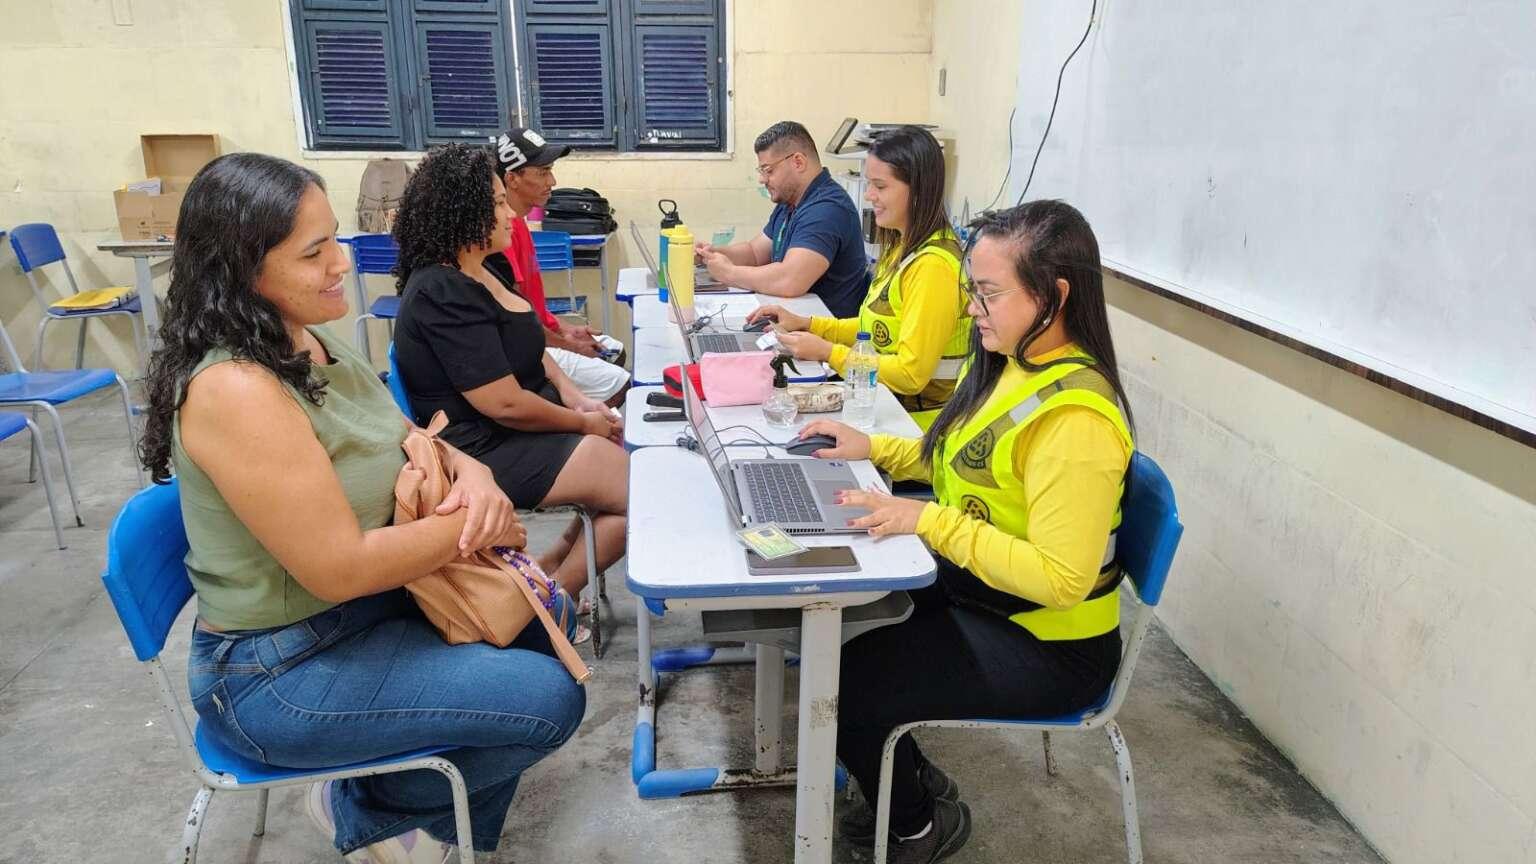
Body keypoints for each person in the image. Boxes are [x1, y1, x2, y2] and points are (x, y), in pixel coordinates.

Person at [137, 152, 585, 863]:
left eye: (334, 239)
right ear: (242, 269)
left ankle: (426, 814)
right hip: (279, 669)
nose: (340, 263)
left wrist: (474, 476)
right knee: (548, 699)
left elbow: (411, 435)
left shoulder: (308, 340)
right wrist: (472, 524)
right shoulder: (238, 388)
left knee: (550, 618)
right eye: (314, 253)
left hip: (368, 611)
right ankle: (368, 804)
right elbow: (341, 569)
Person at [796, 200, 1136, 863]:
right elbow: (961, 455)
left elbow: (1061, 580)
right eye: (971, 291)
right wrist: (873, 447)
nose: (972, 310)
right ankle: (910, 774)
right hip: (987, 592)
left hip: (1050, 643)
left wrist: (929, 519)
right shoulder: (1017, 364)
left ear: (1054, 296)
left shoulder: (1077, 421)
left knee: (845, 682)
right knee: (849, 619)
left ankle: (918, 823)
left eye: (987, 293)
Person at [391, 143, 627, 605]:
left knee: (624, 485)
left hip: (518, 425)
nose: (510, 215)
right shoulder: (441, 290)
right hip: (483, 446)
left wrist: (575, 397)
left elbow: (532, 346)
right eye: (497, 204)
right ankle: (544, 607)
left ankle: (542, 578)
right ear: (463, 213)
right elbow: (503, 404)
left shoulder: (484, 267)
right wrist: (583, 423)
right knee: (639, 496)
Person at [749, 126, 971, 430]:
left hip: (917, 426)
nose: (869, 196)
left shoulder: (932, 266)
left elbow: (909, 374)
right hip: (882, 405)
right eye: (868, 184)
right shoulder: (902, 249)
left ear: (918, 189)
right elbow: (877, 330)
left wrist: (829, 352)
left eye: (880, 186)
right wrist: (812, 325)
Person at [489, 126, 629, 407]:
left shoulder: (520, 222)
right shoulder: (502, 234)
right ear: (512, 179)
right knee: (622, 382)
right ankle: (576, 424)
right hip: (524, 350)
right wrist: (569, 344)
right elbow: (519, 326)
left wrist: (566, 329)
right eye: (542, 173)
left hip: (537, 336)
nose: (552, 181)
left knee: (616, 351)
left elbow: (533, 313)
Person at [695, 120, 869, 317]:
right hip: (794, 322)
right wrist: (710, 254)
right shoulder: (790, 201)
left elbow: (790, 280)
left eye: (768, 170)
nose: (762, 179)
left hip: (826, 336)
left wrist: (729, 273)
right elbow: (754, 253)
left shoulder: (827, 210)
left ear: (798, 162)